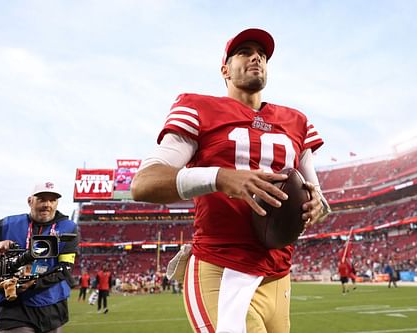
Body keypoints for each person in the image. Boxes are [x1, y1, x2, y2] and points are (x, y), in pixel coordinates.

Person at [131, 28, 329, 332]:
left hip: (280, 274)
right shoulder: (199, 108)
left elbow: (318, 196)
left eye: (262, 55)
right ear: (225, 69)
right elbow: (143, 183)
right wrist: (221, 178)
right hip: (222, 269)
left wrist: (317, 205)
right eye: (245, 52)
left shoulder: (297, 122)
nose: (256, 58)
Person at [0, 181, 79, 333]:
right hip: (13, 305)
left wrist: (33, 283)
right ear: (30, 201)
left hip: (53, 305)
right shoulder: (5, 225)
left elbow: (65, 268)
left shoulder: (68, 228)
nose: (47, 204)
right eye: (42, 199)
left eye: (52, 200)